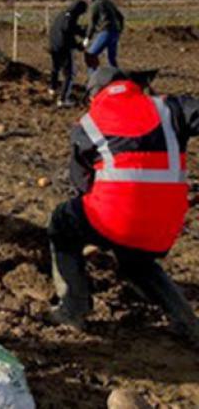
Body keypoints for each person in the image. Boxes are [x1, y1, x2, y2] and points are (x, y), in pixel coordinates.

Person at [46, 67, 199, 347]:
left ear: (94, 95)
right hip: (165, 223)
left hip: (113, 217)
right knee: (137, 260)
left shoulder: (89, 123)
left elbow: (81, 183)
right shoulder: (170, 108)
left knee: (62, 223)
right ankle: (187, 322)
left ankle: (73, 309)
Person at [48, 0, 87, 107]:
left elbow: (69, 28)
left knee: (55, 68)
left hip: (53, 44)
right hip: (63, 47)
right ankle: (63, 99)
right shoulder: (71, 17)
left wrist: (81, 31)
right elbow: (67, 32)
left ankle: (52, 88)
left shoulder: (63, 14)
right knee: (69, 73)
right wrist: (78, 45)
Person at [83, 0, 125, 72]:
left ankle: (93, 80)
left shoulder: (94, 5)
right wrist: (120, 29)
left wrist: (87, 37)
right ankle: (117, 79)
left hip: (104, 32)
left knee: (90, 57)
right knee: (111, 59)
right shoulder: (108, 3)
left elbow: (92, 24)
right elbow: (120, 17)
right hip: (115, 33)